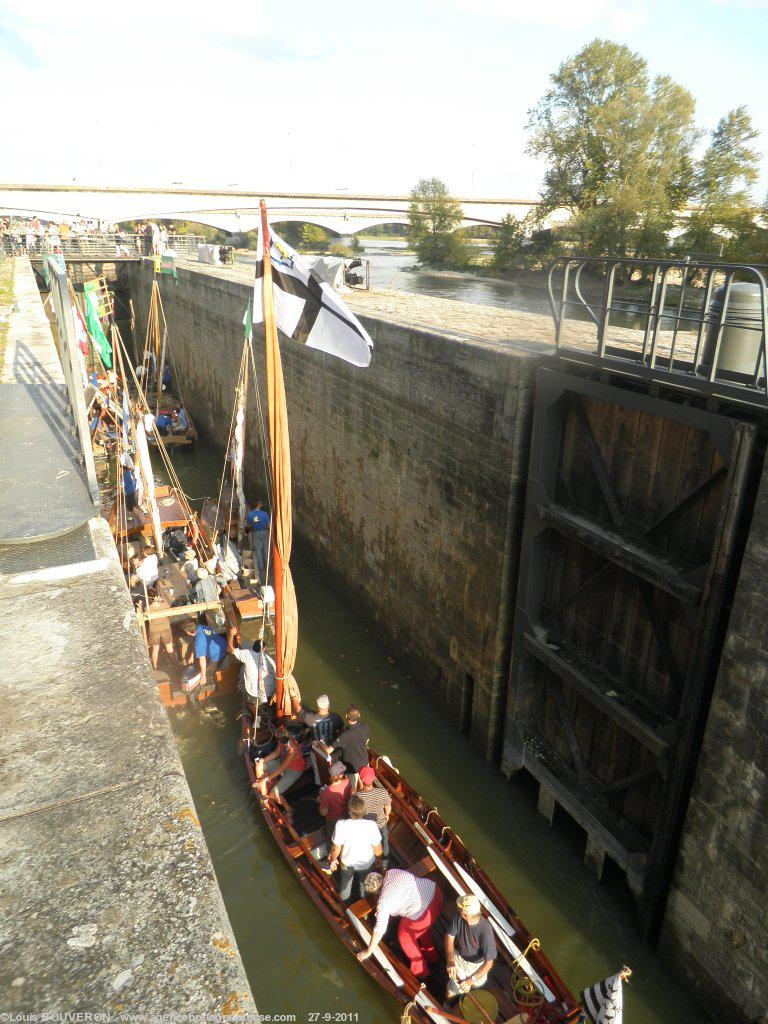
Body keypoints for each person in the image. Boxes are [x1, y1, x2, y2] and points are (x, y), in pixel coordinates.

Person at [358, 868, 443, 978]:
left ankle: (422, 973)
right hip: (435, 894)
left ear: (375, 892)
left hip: (424, 915)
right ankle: (432, 957)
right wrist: (382, 912)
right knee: (416, 927)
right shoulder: (392, 872)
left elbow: (380, 929)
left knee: (404, 937)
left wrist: (368, 951)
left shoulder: (383, 903)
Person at [328, 794, 382, 902]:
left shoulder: (340, 825)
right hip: (366, 863)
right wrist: (378, 860)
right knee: (365, 885)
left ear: (349, 810)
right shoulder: (372, 825)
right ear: (363, 811)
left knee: (345, 886)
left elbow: (336, 850)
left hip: (347, 863)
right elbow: (378, 850)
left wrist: (332, 860)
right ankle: (364, 903)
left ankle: (343, 907)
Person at [444, 894, 497, 1004]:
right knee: (453, 988)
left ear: (466, 915)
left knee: (476, 984)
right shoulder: (458, 916)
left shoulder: (486, 932)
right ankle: (447, 1005)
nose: (458, 910)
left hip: (477, 965)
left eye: (460, 909)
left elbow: (489, 963)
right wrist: (450, 961)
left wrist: (470, 980)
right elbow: (450, 936)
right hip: (459, 958)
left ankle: (469, 987)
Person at [253, 726, 306, 816]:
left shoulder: (292, 750)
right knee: (259, 765)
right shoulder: (282, 739)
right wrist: (263, 760)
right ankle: (263, 792)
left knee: (273, 794)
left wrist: (266, 779)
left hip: (293, 771)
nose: (281, 744)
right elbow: (276, 753)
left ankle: (288, 809)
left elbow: (281, 768)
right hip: (282, 762)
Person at [228, 630, 276, 711]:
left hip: (254, 692)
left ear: (253, 647)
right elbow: (275, 675)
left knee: (250, 704)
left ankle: (256, 716)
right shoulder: (269, 659)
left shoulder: (247, 654)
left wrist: (231, 635)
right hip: (270, 691)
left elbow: (230, 648)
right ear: (264, 649)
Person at [325, 705, 370, 791]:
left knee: (352, 789)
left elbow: (328, 751)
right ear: (358, 715)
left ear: (346, 716)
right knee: (362, 785)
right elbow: (367, 741)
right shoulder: (364, 726)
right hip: (364, 762)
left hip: (351, 767)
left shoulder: (345, 734)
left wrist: (319, 743)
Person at [356, 765, 391, 869]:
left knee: (369, 845)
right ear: (373, 779)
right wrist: (387, 815)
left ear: (362, 779)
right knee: (384, 843)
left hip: (366, 828)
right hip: (381, 824)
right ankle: (384, 866)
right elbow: (388, 806)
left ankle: (371, 863)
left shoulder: (358, 796)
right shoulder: (382, 792)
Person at [318, 760, 351, 841]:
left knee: (332, 838)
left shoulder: (326, 793)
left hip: (333, 820)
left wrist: (320, 798)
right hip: (346, 815)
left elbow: (323, 812)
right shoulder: (347, 781)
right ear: (341, 774)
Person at [147, 589, 175, 669]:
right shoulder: (165, 605)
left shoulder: (148, 608)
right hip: (165, 628)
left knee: (155, 649)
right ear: (157, 597)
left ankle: (155, 666)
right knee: (170, 648)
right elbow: (170, 615)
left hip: (154, 630)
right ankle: (174, 664)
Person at [245, 500, 270, 584]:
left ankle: (261, 566)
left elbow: (248, 525)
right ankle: (268, 564)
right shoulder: (265, 514)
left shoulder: (250, 514)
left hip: (256, 533)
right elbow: (268, 525)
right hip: (264, 532)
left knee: (258, 549)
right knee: (266, 548)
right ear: (259, 505)